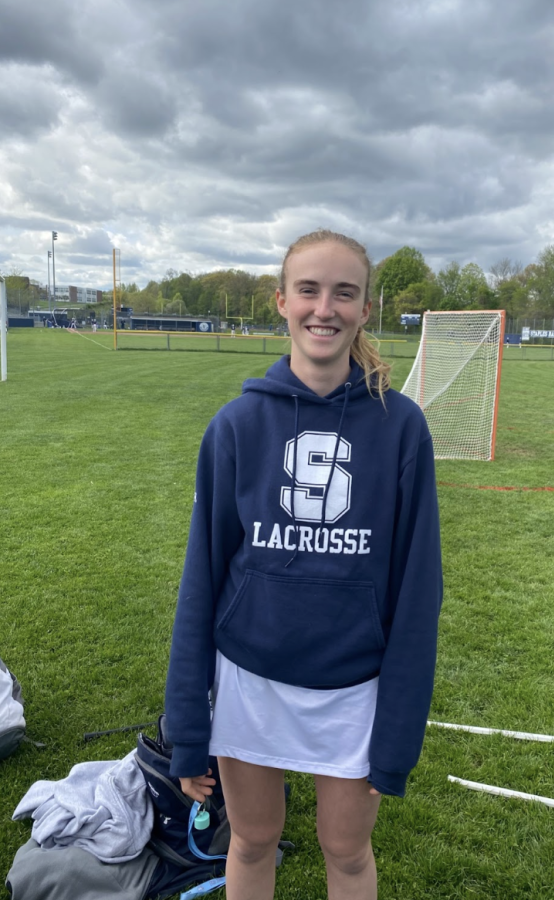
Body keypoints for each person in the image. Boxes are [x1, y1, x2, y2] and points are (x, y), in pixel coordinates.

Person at [165, 229, 443, 900]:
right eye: (309, 290)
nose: (325, 308)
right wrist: (186, 725)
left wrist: (399, 729)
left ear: (364, 310)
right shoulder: (235, 426)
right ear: (282, 302)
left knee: (346, 853)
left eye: (344, 293)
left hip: (355, 688)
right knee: (252, 842)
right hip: (249, 681)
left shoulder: (401, 427)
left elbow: (417, 590)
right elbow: (201, 578)